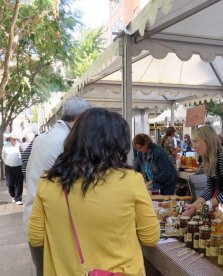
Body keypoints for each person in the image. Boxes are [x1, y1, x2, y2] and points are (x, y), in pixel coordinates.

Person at [28, 108, 159, 275]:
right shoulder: (131, 181)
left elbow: (36, 237)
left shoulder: (48, 181)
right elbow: (150, 237)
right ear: (118, 143)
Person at [23, 96, 91, 276]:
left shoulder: (43, 137)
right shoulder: (67, 142)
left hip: (34, 215)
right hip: (49, 221)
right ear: (81, 118)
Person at [2, 132, 24, 204]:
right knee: (9, 184)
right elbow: (3, 156)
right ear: (10, 139)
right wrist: (6, 162)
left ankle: (18, 198)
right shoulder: (6, 146)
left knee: (19, 183)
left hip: (19, 166)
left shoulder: (20, 145)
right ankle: (14, 195)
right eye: (13, 139)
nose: (15, 140)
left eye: (16, 139)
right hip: (9, 167)